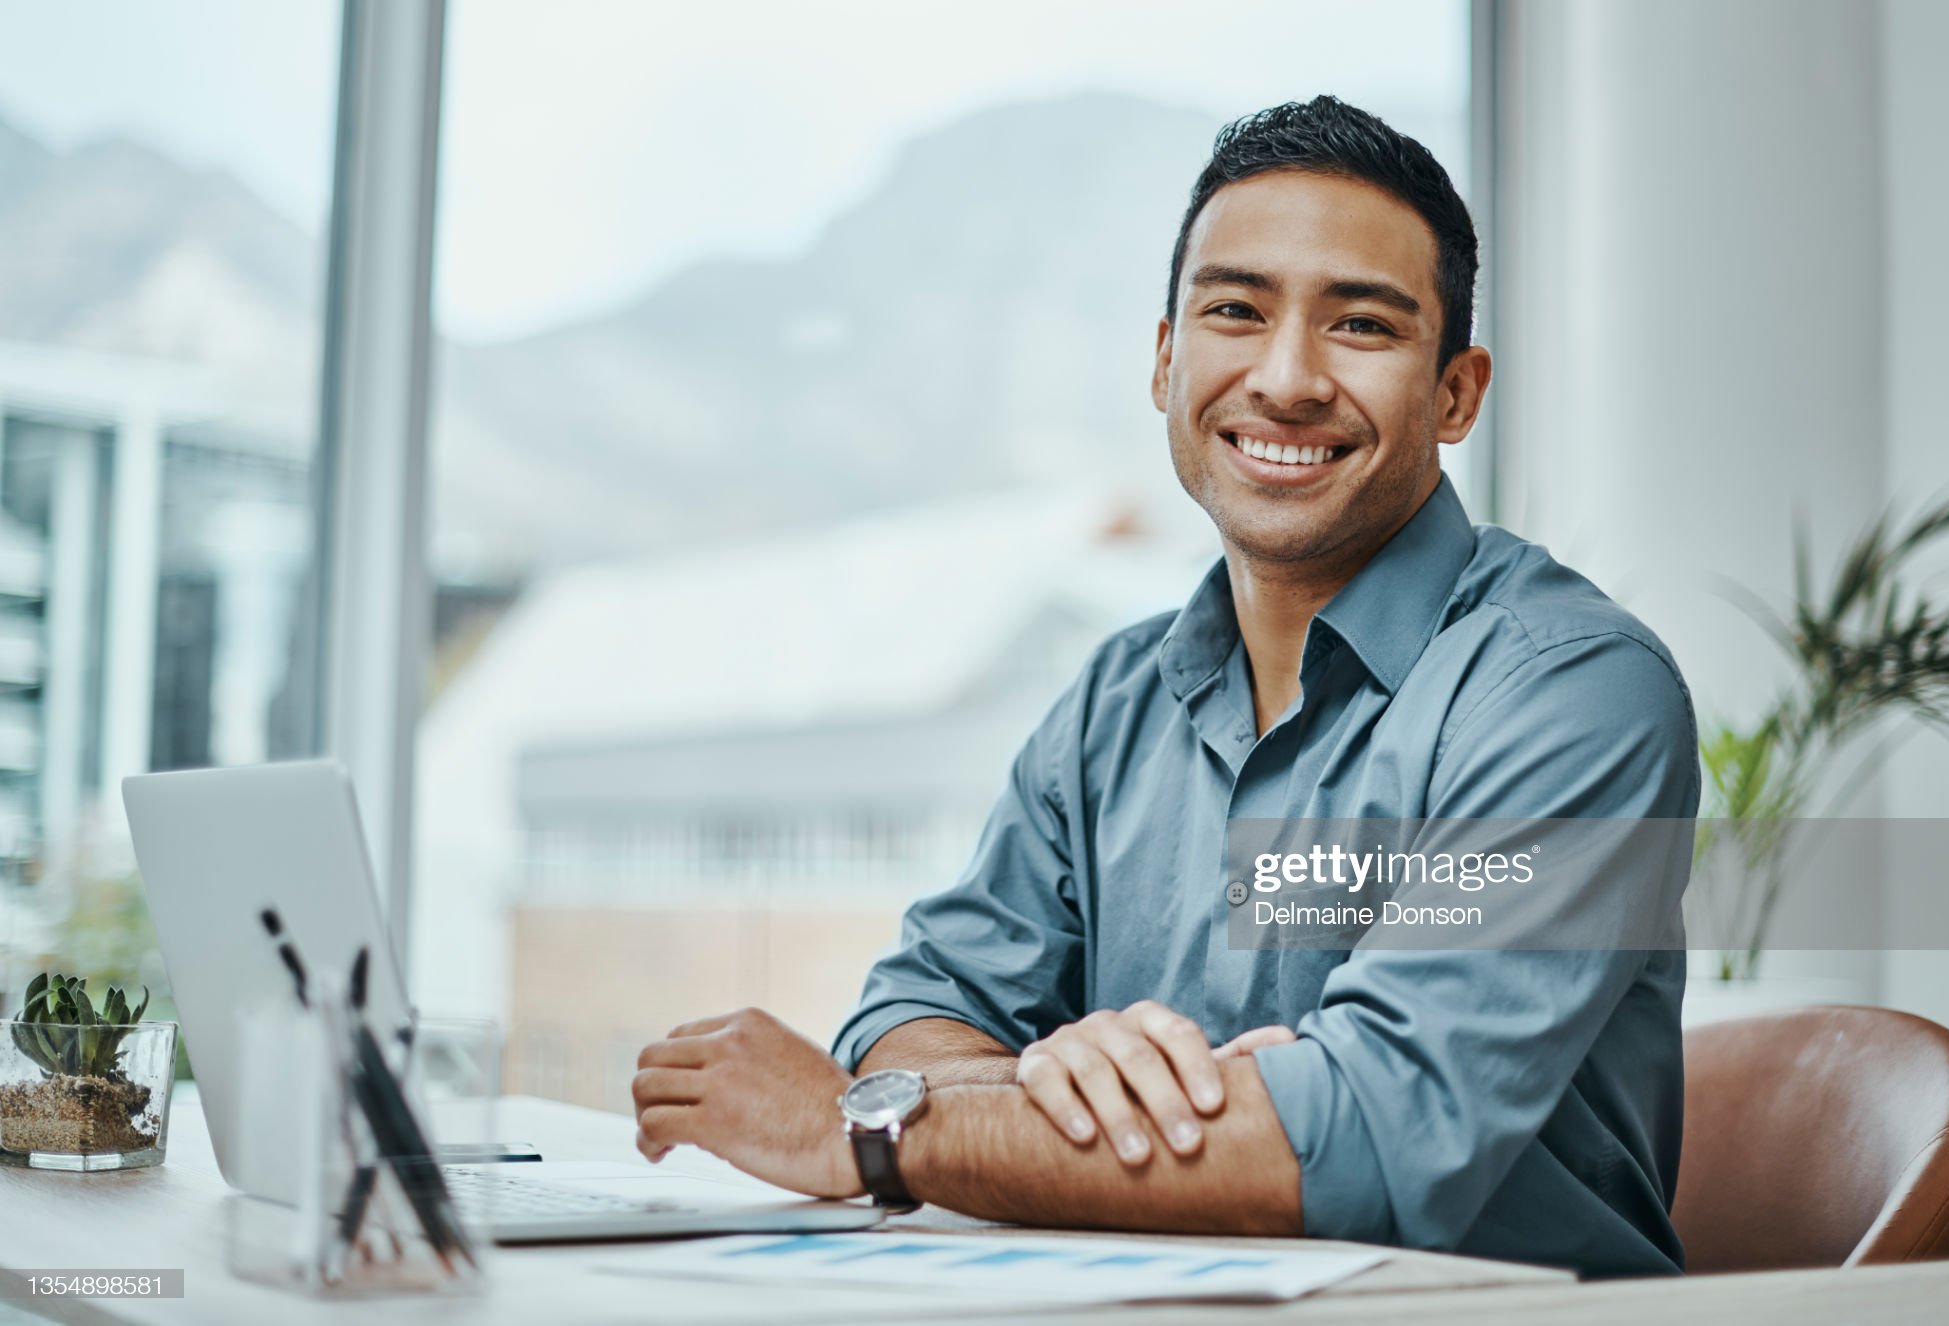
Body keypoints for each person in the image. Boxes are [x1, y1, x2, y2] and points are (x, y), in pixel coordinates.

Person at [631, 95, 1697, 1277]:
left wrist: (870, 1131)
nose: (1285, 380)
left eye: (1360, 327)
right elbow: (915, 1012)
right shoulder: (1111, 701)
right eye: (1234, 311)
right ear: (1163, 359)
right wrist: (1040, 1081)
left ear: (1453, 393)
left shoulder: (1568, 695)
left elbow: (1368, 1140)